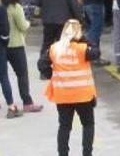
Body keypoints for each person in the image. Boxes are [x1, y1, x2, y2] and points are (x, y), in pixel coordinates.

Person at [40, 19, 99, 156]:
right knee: (88, 125)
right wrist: (83, 39)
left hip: (63, 96)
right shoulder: (82, 49)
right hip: (83, 96)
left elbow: (42, 65)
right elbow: (96, 52)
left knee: (65, 126)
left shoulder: (55, 49)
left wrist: (53, 75)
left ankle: (63, 153)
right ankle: (87, 153)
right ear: (78, 32)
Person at [0, 0, 43, 113]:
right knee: (22, 74)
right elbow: (22, 26)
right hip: (16, 45)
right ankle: (27, 102)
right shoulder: (16, 8)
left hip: (1, 45)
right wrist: (29, 22)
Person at [35, 0, 81, 79]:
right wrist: (78, 19)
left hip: (48, 20)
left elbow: (38, 2)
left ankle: (44, 71)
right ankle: (63, 69)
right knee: (64, 45)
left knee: (47, 44)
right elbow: (74, 4)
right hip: (64, 21)